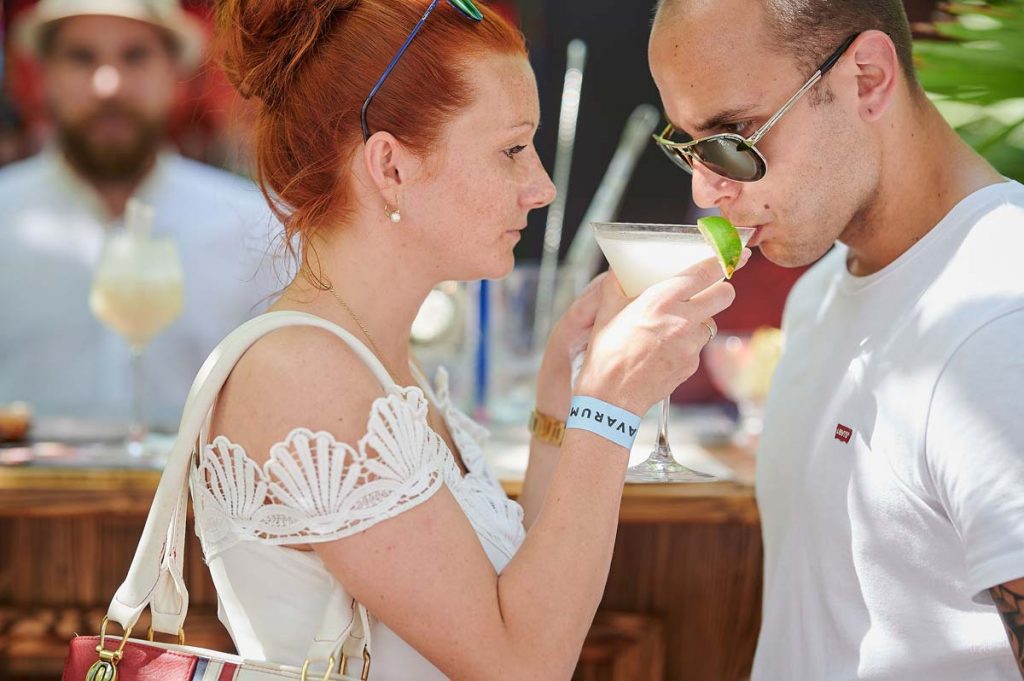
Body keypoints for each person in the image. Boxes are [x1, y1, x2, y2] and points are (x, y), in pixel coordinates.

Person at [181, 0, 746, 678]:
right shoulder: (305, 374)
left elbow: (521, 597)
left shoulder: (378, 361)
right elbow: (525, 666)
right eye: (512, 149)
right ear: (390, 166)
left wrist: (561, 394)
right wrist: (609, 407)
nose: (540, 187)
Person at [648, 0, 1024, 678]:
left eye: (734, 138)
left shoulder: (1000, 317)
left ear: (868, 78)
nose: (707, 192)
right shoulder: (820, 294)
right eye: (688, 146)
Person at [0, 0, 280, 430]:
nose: (108, 85)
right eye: (81, 57)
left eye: (135, 56)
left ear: (175, 74)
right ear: (44, 77)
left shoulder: (255, 228)